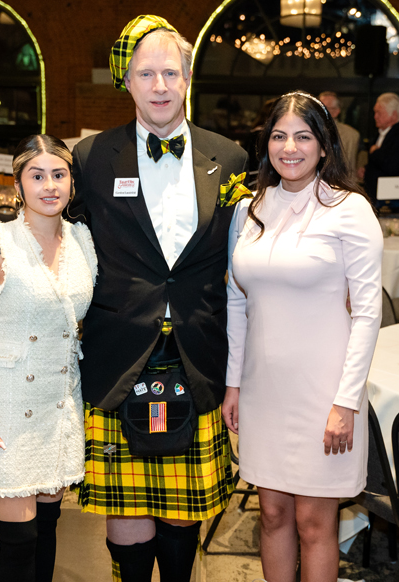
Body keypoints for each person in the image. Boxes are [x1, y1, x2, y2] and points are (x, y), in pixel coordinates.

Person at [70, 15, 248, 582]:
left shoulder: (232, 158)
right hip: (118, 353)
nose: (160, 85)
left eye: (171, 71)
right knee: (126, 511)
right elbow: (59, 239)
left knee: (182, 513)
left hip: (197, 353)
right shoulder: (91, 158)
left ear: (189, 75)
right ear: (128, 82)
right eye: (146, 73)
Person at [223, 92, 382, 582]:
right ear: (265, 143)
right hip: (262, 392)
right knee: (271, 515)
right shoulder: (249, 208)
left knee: (315, 522)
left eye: (302, 136)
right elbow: (237, 301)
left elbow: (368, 313)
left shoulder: (349, 210)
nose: (289, 147)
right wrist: (233, 384)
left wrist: (346, 401)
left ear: (323, 146)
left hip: (323, 394)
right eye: (278, 135)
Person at [0, 135, 97, 582]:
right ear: (18, 184)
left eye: (59, 174)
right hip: (6, 406)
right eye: (37, 176)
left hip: (58, 403)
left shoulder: (84, 241)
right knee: (19, 540)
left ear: (72, 182)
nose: (49, 186)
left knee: (49, 528)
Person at [358, 92, 399, 209]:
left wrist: (375, 152)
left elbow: (393, 166)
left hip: (391, 200)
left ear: (394, 115)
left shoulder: (396, 135)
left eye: (379, 112)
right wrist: (366, 169)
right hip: (376, 196)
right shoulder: (380, 134)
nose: (375, 116)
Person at [319, 91, 360, 176]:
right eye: (319, 108)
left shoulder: (351, 135)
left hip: (340, 184)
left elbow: (350, 169)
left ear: (337, 111)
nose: (320, 112)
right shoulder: (307, 131)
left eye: (325, 108)